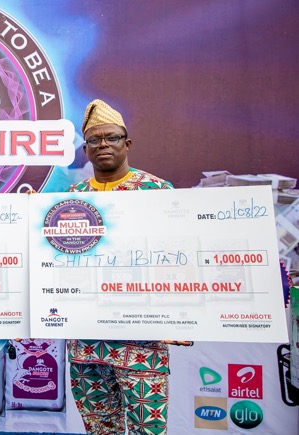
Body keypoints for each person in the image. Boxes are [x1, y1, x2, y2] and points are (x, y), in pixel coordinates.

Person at [66, 99, 190, 435]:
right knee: (99, 429)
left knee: (147, 430)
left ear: (127, 143)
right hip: (86, 344)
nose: (103, 145)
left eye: (112, 137)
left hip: (142, 343)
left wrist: (184, 316)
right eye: (94, 140)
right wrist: (32, 213)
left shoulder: (158, 191)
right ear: (85, 149)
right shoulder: (71, 198)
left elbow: (182, 257)